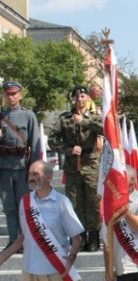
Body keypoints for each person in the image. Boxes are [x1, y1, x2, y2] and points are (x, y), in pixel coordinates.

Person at [48, 86, 104, 252]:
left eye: (83, 96)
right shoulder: (65, 118)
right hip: (73, 165)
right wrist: (68, 149)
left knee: (92, 201)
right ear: (73, 99)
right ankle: (79, 236)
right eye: (77, 97)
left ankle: (93, 237)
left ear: (88, 98)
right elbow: (52, 140)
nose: (80, 99)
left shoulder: (95, 117)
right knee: (74, 202)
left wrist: (84, 121)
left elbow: (106, 129)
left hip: (91, 164)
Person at [1, 81, 40, 249]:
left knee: (24, 206)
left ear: (20, 95)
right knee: (9, 207)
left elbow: (36, 142)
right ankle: (12, 240)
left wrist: (34, 169)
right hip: (3, 167)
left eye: (14, 93)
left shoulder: (29, 115)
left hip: (23, 166)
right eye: (8, 94)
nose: (11, 97)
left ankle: (24, 240)